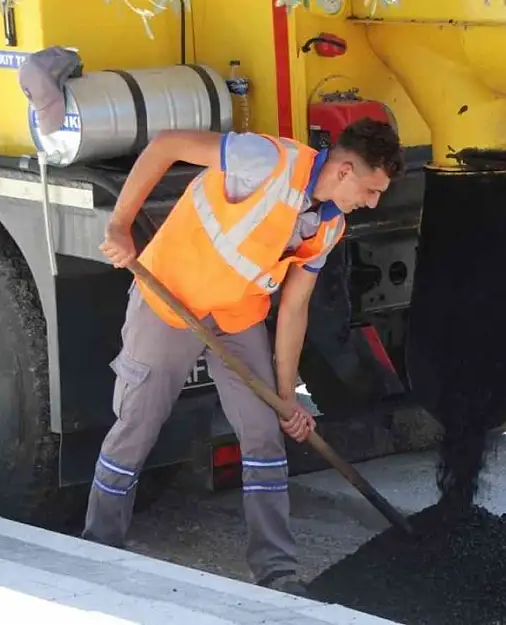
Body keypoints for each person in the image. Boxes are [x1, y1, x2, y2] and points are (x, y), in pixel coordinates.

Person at [83, 118, 405, 595]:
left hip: (235, 316)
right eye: (372, 189)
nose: (373, 201)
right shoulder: (267, 161)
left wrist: (285, 398)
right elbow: (168, 144)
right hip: (169, 300)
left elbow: (294, 310)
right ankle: (98, 547)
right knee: (138, 425)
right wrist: (120, 224)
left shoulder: (329, 225)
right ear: (343, 171)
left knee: (264, 435)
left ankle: (276, 570)